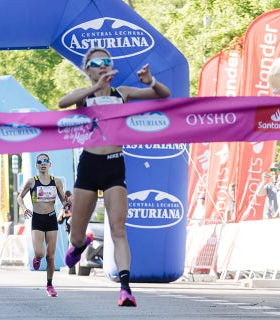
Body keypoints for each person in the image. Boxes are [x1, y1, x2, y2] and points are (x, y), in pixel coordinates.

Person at [58, 47, 170, 307]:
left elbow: (163, 95)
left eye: (107, 61)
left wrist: (150, 81)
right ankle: (79, 243)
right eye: (97, 62)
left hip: (113, 164)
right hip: (89, 165)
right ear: (88, 69)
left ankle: (125, 288)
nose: (104, 65)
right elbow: (63, 102)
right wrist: (94, 86)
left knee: (118, 229)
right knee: (75, 238)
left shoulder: (123, 94)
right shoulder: (83, 97)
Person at [16, 153, 66, 297]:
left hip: (51, 219)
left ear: (50, 164)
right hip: (37, 219)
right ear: (36, 165)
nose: (43, 163)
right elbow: (19, 197)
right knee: (40, 253)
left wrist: (67, 203)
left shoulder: (56, 181)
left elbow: (63, 200)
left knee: (50, 256)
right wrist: (24, 208)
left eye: (46, 161)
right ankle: (37, 258)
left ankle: (49, 284)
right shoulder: (32, 181)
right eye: (40, 161)